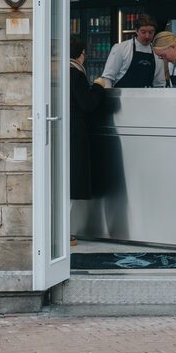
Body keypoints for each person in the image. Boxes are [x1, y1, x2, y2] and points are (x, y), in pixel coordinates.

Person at [69, 36, 107, 243]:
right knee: (72, 184)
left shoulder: (54, 72)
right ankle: (64, 232)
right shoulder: (76, 73)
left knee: (61, 181)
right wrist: (99, 86)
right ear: (81, 53)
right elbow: (88, 104)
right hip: (74, 133)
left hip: (60, 132)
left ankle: (57, 231)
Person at [99, 13, 160, 88]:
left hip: (146, 98)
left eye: (151, 32)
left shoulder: (157, 53)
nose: (147, 36)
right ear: (136, 31)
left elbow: (159, 84)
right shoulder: (121, 48)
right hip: (121, 97)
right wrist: (109, 97)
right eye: (143, 32)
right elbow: (107, 78)